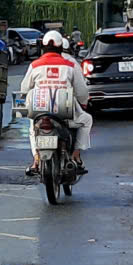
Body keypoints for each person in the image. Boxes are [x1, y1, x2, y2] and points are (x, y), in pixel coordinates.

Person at [20, 29, 91, 175]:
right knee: (86, 120)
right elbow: (82, 92)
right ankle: (76, 155)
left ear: (43, 47)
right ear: (60, 48)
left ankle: (36, 160)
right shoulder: (70, 65)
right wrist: (83, 104)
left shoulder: (35, 65)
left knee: (33, 128)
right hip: (65, 109)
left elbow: (24, 89)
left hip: (40, 108)